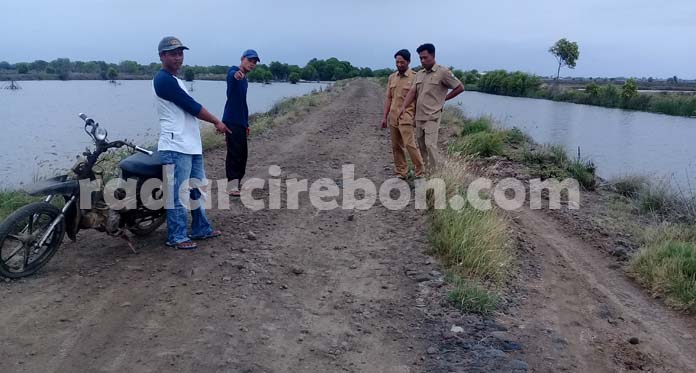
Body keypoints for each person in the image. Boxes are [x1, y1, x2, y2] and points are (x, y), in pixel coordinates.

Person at [153, 36, 228, 250]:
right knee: (177, 193)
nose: (178, 57)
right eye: (173, 53)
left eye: (180, 53)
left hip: (190, 145)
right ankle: (176, 236)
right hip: (175, 146)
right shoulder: (163, 80)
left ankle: (200, 228)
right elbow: (192, 106)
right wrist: (216, 121)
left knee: (196, 189)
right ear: (162, 56)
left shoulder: (175, 80)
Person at [399, 43, 464, 172]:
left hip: (432, 116)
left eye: (425, 57)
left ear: (433, 56)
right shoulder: (419, 74)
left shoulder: (443, 72)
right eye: (420, 58)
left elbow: (460, 87)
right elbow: (412, 92)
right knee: (422, 146)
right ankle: (427, 171)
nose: (423, 61)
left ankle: (437, 174)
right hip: (419, 116)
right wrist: (403, 107)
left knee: (430, 145)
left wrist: (444, 99)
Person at [381, 49, 424, 179]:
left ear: (408, 62)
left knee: (410, 145)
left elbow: (419, 100)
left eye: (402, 62)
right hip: (393, 117)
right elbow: (389, 98)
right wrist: (384, 117)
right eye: (397, 62)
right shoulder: (392, 77)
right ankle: (401, 172)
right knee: (396, 146)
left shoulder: (415, 77)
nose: (399, 65)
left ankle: (420, 172)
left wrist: (417, 118)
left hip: (407, 116)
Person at [222, 49, 260, 196]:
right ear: (242, 58)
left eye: (254, 62)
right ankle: (232, 185)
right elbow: (232, 74)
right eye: (249, 60)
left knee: (242, 154)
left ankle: (237, 182)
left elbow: (242, 103)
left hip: (240, 122)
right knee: (234, 153)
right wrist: (236, 74)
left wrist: (246, 124)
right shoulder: (235, 73)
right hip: (231, 120)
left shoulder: (245, 79)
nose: (252, 64)